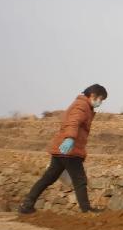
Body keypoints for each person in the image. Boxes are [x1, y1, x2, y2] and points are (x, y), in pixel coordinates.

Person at [18, 84, 108, 214]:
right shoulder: (81, 105)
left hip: (62, 149)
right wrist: (70, 138)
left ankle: (27, 205)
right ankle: (86, 209)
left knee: (48, 178)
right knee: (80, 179)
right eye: (101, 99)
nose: (100, 102)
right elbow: (73, 121)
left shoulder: (83, 105)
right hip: (70, 150)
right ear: (93, 95)